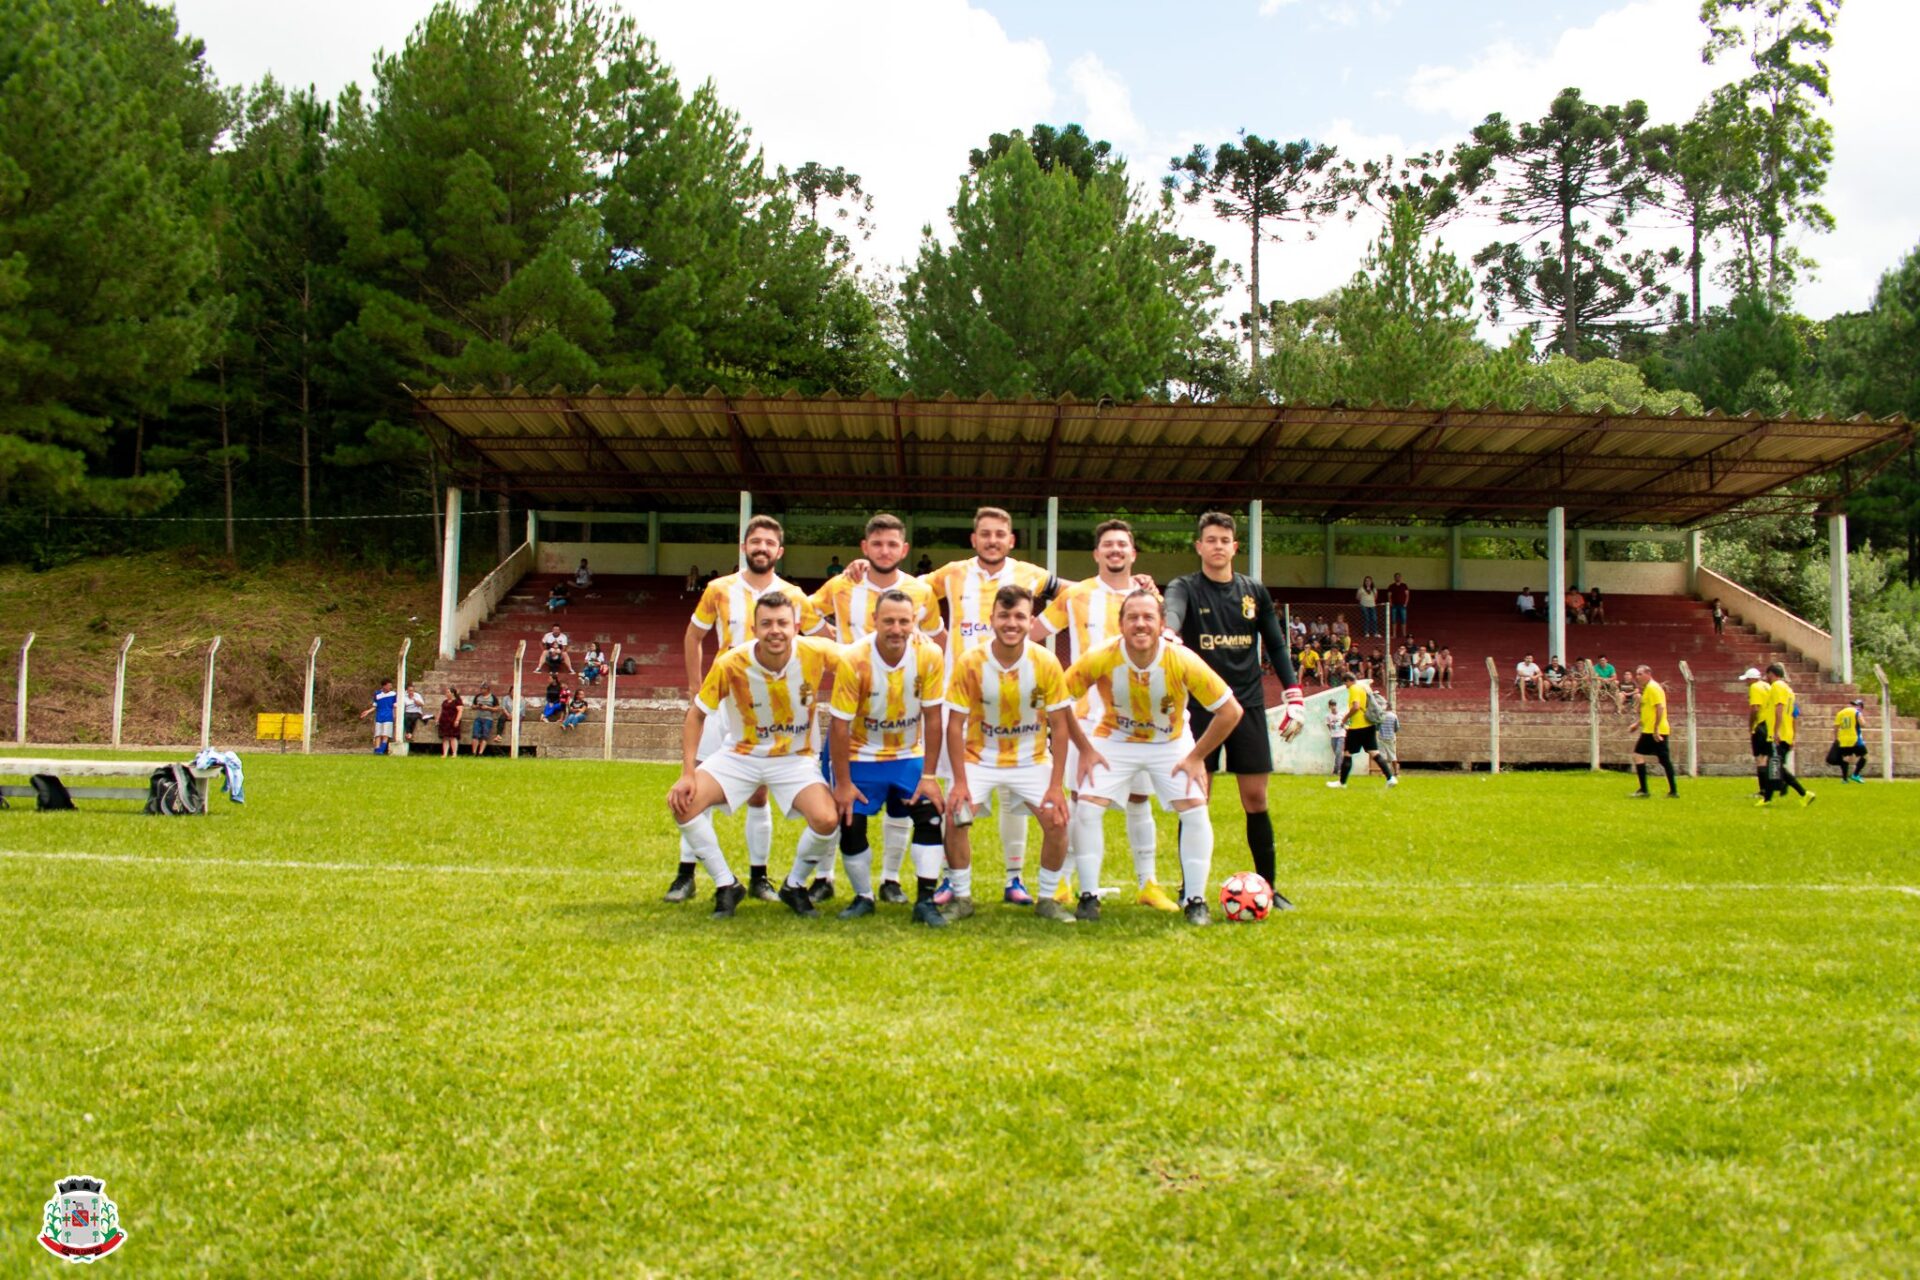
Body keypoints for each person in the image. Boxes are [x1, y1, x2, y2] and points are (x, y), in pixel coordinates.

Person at [853, 507, 1066, 903]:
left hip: (1015, 700)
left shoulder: (1029, 574)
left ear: (1011, 540)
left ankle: (1014, 878)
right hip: (961, 700)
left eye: (1000, 534)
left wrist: (1039, 629)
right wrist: (863, 567)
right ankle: (952, 879)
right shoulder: (951, 573)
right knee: (957, 795)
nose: (992, 540)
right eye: (985, 534)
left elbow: (1078, 592)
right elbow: (902, 587)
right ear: (974, 539)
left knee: (1015, 800)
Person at [665, 515, 827, 905]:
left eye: (769, 543)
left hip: (772, 710)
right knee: (695, 786)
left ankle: (759, 877)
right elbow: (694, 635)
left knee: (759, 794)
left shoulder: (794, 595)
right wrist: (693, 686)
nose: (762, 548)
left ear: (779, 551)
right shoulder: (719, 589)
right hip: (723, 702)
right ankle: (686, 875)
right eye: (755, 542)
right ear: (744, 546)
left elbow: (827, 640)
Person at [1064, 590, 1245, 926]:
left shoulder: (1181, 658)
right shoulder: (1102, 656)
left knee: (1194, 811)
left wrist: (1197, 758)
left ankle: (1195, 899)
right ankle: (1088, 897)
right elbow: (1057, 702)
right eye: (1132, 617)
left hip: (1170, 742)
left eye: (1148, 617)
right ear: (1120, 624)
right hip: (1114, 740)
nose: (1140, 624)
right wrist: (1085, 748)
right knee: (1087, 807)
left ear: (1162, 623)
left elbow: (1230, 711)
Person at [1162, 510, 1304, 907]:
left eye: (1224, 540)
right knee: (1196, 801)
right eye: (1210, 540)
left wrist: (1292, 690)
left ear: (1234, 546)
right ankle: (1190, 889)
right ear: (1199, 546)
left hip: (1248, 705)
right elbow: (1172, 610)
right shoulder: (1185, 587)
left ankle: (1269, 889)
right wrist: (1170, 631)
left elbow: (1275, 643)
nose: (1218, 546)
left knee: (1256, 799)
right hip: (1201, 708)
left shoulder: (1253, 591)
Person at [1032, 519, 1173, 911]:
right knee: (1081, 800)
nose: (1115, 551)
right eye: (1108, 545)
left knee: (1139, 799)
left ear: (1133, 553)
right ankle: (1063, 883)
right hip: (1086, 717)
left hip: (1139, 719)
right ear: (1096, 554)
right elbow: (1031, 634)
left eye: (1122, 545)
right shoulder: (1076, 596)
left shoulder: (1149, 599)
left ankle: (1148, 884)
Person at [807, 513, 947, 903]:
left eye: (892, 544)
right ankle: (824, 876)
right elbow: (804, 613)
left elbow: (938, 637)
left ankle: (891, 880)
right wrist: (833, 644)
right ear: (864, 548)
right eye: (877, 544)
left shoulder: (919, 591)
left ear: (903, 550)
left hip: (902, 706)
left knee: (902, 807)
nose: (884, 551)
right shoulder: (843, 583)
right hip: (851, 706)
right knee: (839, 799)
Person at [942, 585, 1075, 924]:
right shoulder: (970, 662)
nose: (1011, 623)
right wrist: (959, 782)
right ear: (992, 619)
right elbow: (954, 724)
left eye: (1019, 616)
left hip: (1031, 760)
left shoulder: (1045, 662)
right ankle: (961, 897)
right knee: (955, 815)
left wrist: (1056, 784)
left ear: (1031, 621)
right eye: (1004, 615)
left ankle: (1047, 899)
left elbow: (1060, 726)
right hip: (979, 758)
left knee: (1058, 820)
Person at [827, 589, 949, 925]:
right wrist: (844, 783)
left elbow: (934, 717)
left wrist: (929, 776)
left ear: (914, 623)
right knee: (850, 820)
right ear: (874, 621)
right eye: (889, 621)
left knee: (930, 814)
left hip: (909, 754)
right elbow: (839, 726)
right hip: (862, 755)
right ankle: (863, 896)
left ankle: (926, 901)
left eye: (904, 621)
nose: (896, 628)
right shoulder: (854, 659)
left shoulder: (930, 655)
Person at [1329, 671, 1397, 789]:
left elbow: (1355, 707)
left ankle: (1342, 783)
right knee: (1374, 752)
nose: (1345, 686)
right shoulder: (1363, 688)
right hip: (1368, 726)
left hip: (1357, 728)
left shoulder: (1354, 689)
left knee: (1348, 753)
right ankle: (1390, 778)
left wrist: (1345, 719)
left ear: (1348, 681)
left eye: (1345, 684)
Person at [1757, 662, 1811, 807]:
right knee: (1773, 766)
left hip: (1779, 735)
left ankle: (1804, 793)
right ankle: (1767, 799)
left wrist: (1775, 732)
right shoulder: (1789, 690)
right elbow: (1794, 715)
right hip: (1787, 734)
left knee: (1776, 767)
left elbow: (1779, 708)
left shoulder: (1777, 687)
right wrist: (1793, 737)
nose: (1766, 678)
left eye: (1767, 675)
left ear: (1771, 674)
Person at [1628, 664, 1678, 798]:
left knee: (1639, 755)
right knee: (1663, 760)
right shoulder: (1649, 688)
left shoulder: (1653, 688)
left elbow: (1660, 708)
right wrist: (1637, 724)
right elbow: (1648, 711)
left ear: (1648, 674)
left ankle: (1645, 790)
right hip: (1651, 729)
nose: (1637, 677)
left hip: (1654, 731)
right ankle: (1672, 791)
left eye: (1640, 674)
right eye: (1637, 674)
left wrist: (1656, 729)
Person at [1743, 666, 1771, 796]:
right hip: (1769, 724)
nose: (1746, 683)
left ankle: (1763, 790)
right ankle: (1767, 789)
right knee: (1766, 758)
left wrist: (1751, 724)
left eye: (1747, 680)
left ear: (1751, 679)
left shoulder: (1755, 688)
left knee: (1760, 758)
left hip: (1760, 725)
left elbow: (1755, 708)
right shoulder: (1767, 686)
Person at [1830, 697, 1868, 783]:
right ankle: (1855, 774)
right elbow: (1863, 724)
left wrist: (1836, 738)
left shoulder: (1841, 713)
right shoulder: (1856, 713)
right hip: (1854, 739)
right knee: (1865, 756)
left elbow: (1836, 727)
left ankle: (1844, 779)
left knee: (1846, 757)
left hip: (1843, 739)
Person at [360, 678, 399, 754]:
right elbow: (375, 706)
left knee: (386, 734)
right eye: (388, 686)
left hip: (388, 717)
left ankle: (381, 750)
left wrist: (395, 715)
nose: (390, 687)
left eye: (390, 685)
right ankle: (377, 750)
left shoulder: (393, 694)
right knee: (378, 734)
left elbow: (395, 706)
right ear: (384, 686)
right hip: (379, 716)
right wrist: (367, 711)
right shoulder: (377, 694)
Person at [470, 683, 500, 756]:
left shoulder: (493, 697)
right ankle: (474, 752)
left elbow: (497, 708)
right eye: (481, 689)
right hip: (478, 717)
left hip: (488, 718)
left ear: (488, 690)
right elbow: (472, 706)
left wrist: (488, 708)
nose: (482, 690)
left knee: (485, 736)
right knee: (475, 735)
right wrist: (477, 706)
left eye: (484, 689)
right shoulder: (478, 696)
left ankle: (480, 753)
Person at [436, 688, 463, 757]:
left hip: (452, 721)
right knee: (445, 737)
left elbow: (460, 711)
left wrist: (457, 720)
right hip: (444, 721)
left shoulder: (457, 701)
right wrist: (437, 719)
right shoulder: (444, 702)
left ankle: (454, 753)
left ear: (452, 693)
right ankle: (445, 753)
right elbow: (440, 711)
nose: (446, 693)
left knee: (453, 737)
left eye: (448, 692)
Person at [1325, 698, 1347, 778]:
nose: (1333, 707)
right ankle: (1341, 769)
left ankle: (1336, 771)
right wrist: (1331, 730)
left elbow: (1347, 723)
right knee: (1337, 754)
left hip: (1341, 735)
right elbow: (1328, 726)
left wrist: (1344, 726)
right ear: (1329, 706)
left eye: (1334, 705)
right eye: (1331, 705)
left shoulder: (1341, 714)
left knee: (1338, 752)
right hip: (1333, 736)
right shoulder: (1328, 716)